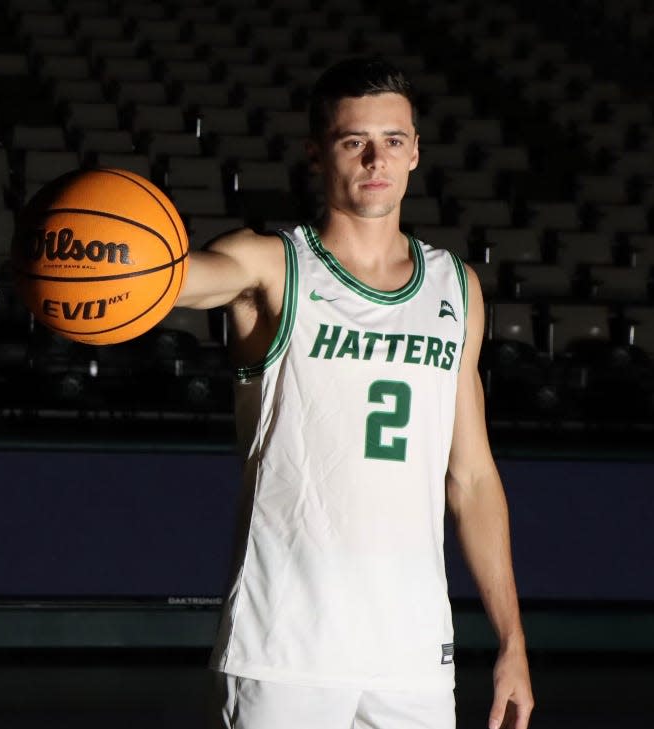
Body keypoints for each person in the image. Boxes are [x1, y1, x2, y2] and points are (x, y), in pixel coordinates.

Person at [177, 57, 534, 729]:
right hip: (285, 651)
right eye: (353, 141)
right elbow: (185, 279)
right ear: (317, 154)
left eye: (393, 140)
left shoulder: (456, 289)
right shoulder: (273, 265)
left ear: (416, 151)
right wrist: (113, 269)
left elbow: (475, 478)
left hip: (412, 659)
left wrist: (512, 640)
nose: (376, 158)